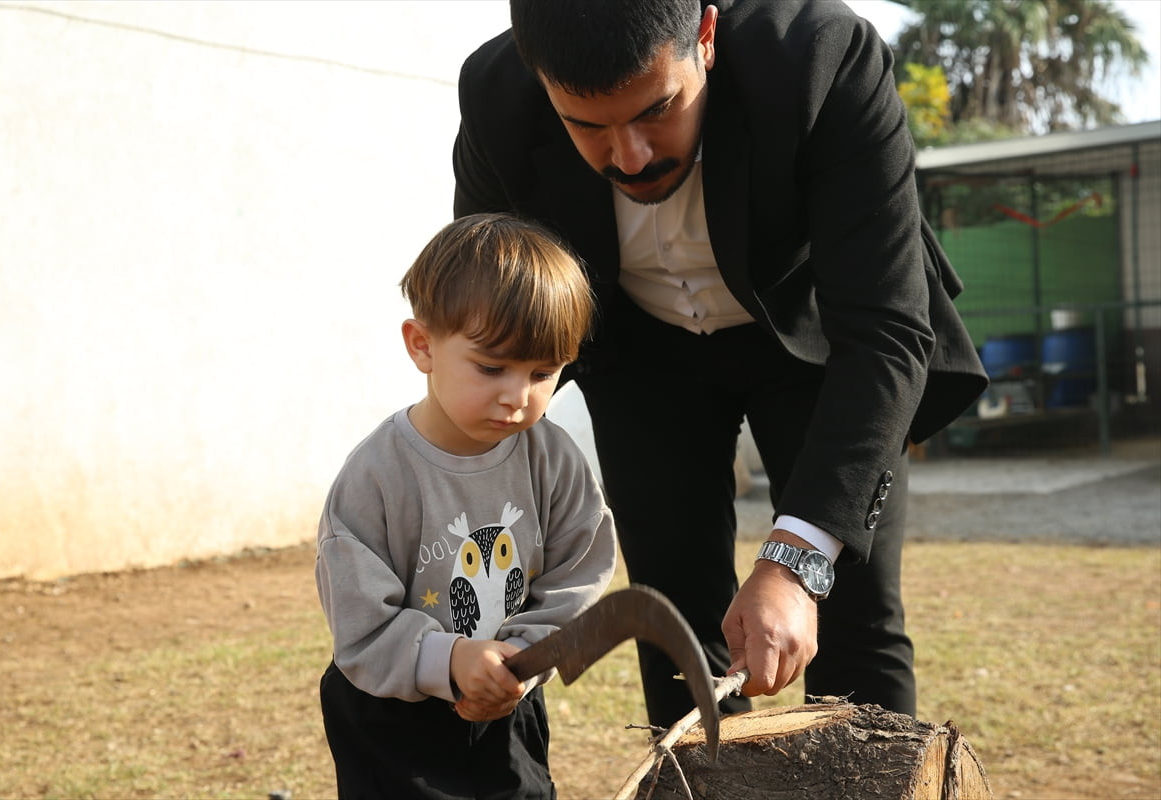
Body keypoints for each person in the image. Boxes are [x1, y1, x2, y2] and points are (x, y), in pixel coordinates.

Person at [452, 0, 989, 728]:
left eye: (656, 109)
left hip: (818, 343)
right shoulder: (494, 94)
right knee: (672, 622)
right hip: (640, 359)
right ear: (539, 78)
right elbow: (495, 316)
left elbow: (886, 329)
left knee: (855, 615)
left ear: (704, 36)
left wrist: (796, 561)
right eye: (586, 125)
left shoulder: (822, 57)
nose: (630, 155)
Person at [315, 213, 617, 799]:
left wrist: (522, 660)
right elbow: (360, 624)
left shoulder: (550, 457)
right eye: (491, 367)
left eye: (543, 372)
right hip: (391, 718)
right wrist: (449, 660)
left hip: (507, 703)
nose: (517, 396)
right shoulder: (376, 476)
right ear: (422, 345)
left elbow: (578, 571)